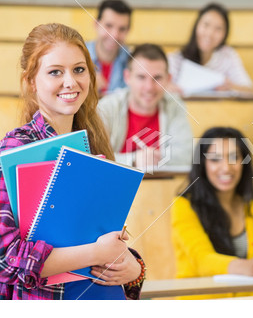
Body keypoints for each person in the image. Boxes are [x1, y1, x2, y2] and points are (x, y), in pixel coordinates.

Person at [0, 23, 145, 300]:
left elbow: (103, 239)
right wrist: (98, 252)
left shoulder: (93, 145)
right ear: (31, 81)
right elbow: (5, 259)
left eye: (79, 69)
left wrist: (133, 268)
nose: (71, 81)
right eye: (55, 71)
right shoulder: (15, 147)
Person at [171, 127, 253, 298]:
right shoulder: (183, 206)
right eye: (215, 159)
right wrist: (245, 266)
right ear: (203, 164)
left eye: (233, 158)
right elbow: (202, 261)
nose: (226, 167)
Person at [98, 43, 193, 170]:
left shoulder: (175, 106)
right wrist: (134, 159)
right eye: (141, 77)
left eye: (157, 78)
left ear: (168, 79)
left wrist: (154, 158)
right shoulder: (107, 107)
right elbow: (96, 157)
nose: (149, 87)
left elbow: (186, 156)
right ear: (127, 77)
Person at [168, 3, 253, 94]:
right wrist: (168, 88)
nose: (210, 34)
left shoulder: (228, 55)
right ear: (197, 26)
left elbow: (250, 91)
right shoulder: (176, 59)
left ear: (225, 34)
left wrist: (231, 86)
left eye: (218, 29)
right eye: (206, 25)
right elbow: (162, 86)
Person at [86, 0, 132, 95]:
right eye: (109, 26)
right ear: (96, 25)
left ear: (128, 31)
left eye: (122, 29)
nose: (114, 35)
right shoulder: (77, 55)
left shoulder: (134, 62)